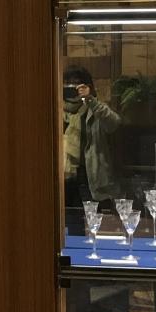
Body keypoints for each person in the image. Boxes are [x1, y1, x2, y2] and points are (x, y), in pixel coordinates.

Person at [63, 65, 121, 235]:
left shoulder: (94, 108)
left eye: (77, 84)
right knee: (65, 222)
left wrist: (90, 99)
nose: (72, 88)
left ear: (87, 86)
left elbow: (113, 123)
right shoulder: (55, 109)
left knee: (92, 225)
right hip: (62, 176)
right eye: (67, 84)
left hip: (89, 176)